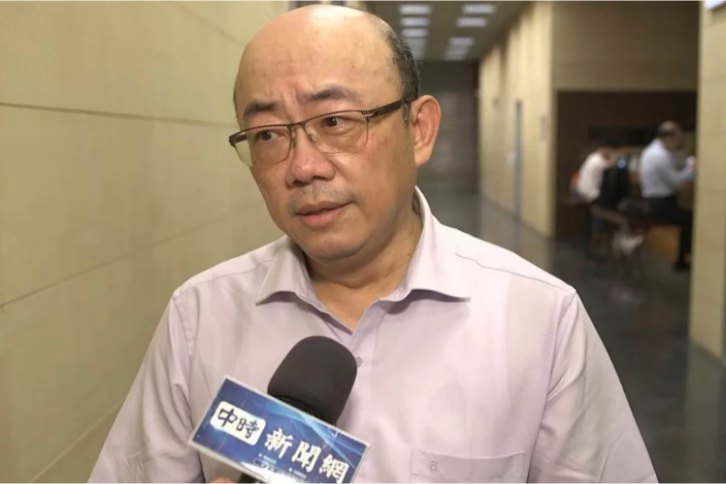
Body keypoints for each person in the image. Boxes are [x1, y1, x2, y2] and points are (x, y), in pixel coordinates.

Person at [88, 6, 657, 484]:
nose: (303, 167)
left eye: (335, 122)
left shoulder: (539, 319)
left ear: (419, 130)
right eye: (267, 134)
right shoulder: (199, 317)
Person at [639, 121, 695, 270]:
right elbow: (676, 182)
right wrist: (691, 167)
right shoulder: (661, 155)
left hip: (650, 201)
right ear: (670, 137)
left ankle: (684, 258)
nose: (678, 144)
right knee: (690, 219)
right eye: (677, 139)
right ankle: (682, 261)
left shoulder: (650, 151)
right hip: (660, 204)